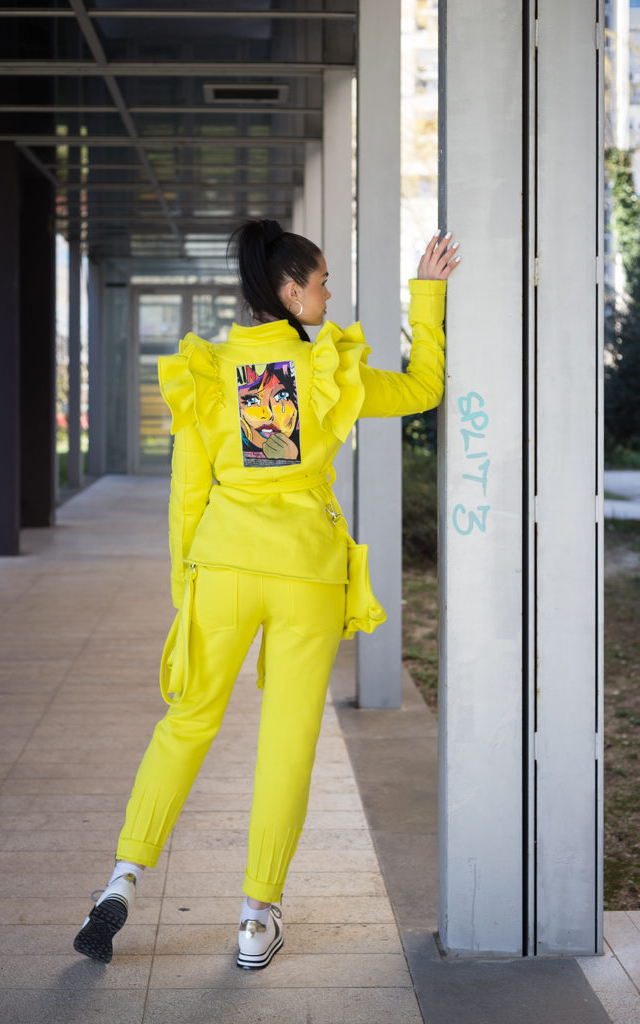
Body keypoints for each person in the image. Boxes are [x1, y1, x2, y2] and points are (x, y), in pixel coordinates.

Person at [73, 220, 459, 970]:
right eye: (320, 283)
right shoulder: (326, 368)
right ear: (289, 291)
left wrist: (187, 587)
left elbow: (188, 493)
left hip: (223, 566)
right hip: (305, 573)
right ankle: (256, 919)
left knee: (187, 722)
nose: (327, 296)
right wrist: (428, 295)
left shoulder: (211, 369)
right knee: (287, 742)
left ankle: (121, 880)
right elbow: (424, 388)